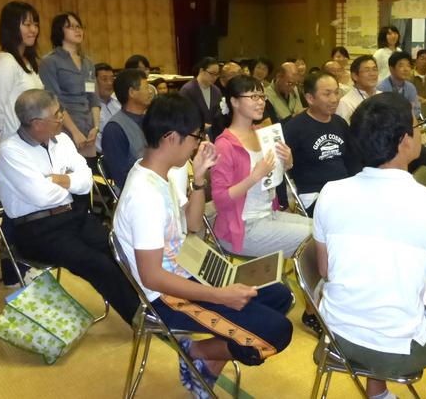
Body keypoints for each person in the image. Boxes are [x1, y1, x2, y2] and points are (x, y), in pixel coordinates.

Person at [113, 94, 293, 397]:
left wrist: (199, 179)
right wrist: (219, 296)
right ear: (171, 137)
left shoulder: (160, 173)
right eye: (195, 137)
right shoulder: (144, 196)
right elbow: (152, 277)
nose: (198, 144)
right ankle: (196, 351)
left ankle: (203, 357)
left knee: (279, 294)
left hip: (188, 268)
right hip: (165, 296)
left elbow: (193, 225)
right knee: (276, 333)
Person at [314, 92, 426, 399]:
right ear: (404, 141)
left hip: (335, 333)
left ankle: (378, 393)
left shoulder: (330, 192)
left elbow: (325, 269)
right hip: (394, 348)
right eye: (417, 125)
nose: (420, 130)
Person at [0, 89, 139, 324]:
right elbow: (42, 197)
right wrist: (69, 182)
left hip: (74, 216)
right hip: (37, 229)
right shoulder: (11, 151)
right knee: (97, 263)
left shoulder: (61, 140)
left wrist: (59, 180)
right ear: (36, 123)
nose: (62, 117)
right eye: (56, 114)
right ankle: (141, 319)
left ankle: (148, 306)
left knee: (118, 248)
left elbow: (85, 180)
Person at [212, 75, 320, 335]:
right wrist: (254, 175)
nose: (261, 102)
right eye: (254, 97)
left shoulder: (262, 134)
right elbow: (221, 199)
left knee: (320, 228)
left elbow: (276, 177)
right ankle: (313, 311)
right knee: (314, 239)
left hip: (267, 216)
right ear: (235, 102)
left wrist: (289, 160)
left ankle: (315, 306)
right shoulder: (224, 144)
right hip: (242, 227)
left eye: (262, 96)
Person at [0, 0, 43, 287]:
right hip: (11, 149)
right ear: (12, 27)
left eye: (35, 23)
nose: (33, 29)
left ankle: (20, 264)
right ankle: (13, 272)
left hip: (30, 149)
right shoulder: (4, 62)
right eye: (26, 23)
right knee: (14, 210)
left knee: (25, 209)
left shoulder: (28, 63)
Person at [284, 71, 354, 215]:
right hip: (313, 194)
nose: (334, 99)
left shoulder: (340, 123)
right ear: (310, 98)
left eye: (336, 92)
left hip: (342, 190)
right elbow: (284, 169)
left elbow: (351, 160)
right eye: (327, 94)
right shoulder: (295, 127)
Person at [39, 11, 100, 159]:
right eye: (70, 26)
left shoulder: (88, 62)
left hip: (89, 129)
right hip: (64, 129)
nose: (77, 30)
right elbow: (54, 100)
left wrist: (96, 128)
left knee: (90, 175)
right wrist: (74, 131)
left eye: (79, 26)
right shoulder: (50, 61)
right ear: (59, 31)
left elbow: (93, 98)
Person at [101, 68, 153, 190]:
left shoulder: (150, 119)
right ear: (132, 92)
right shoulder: (114, 129)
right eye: (146, 88)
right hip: (135, 193)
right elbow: (121, 176)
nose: (150, 92)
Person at [179, 56, 223, 139]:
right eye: (212, 73)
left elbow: (219, 113)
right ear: (201, 70)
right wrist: (202, 125)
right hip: (194, 134)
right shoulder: (187, 90)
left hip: (214, 133)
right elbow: (184, 116)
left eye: (217, 74)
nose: (215, 77)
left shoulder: (217, 91)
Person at [336, 55, 379, 124]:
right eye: (367, 70)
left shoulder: (382, 96)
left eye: (374, 69)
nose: (372, 74)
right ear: (355, 76)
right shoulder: (346, 103)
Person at [377, 51, 420, 116]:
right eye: (401, 66)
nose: (406, 69)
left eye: (408, 65)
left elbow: (417, 110)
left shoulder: (410, 87)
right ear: (391, 69)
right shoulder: (382, 88)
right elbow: (383, 113)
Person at [94, 63, 119, 153]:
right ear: (94, 82)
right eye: (104, 79)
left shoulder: (119, 102)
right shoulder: (90, 109)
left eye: (112, 79)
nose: (110, 83)